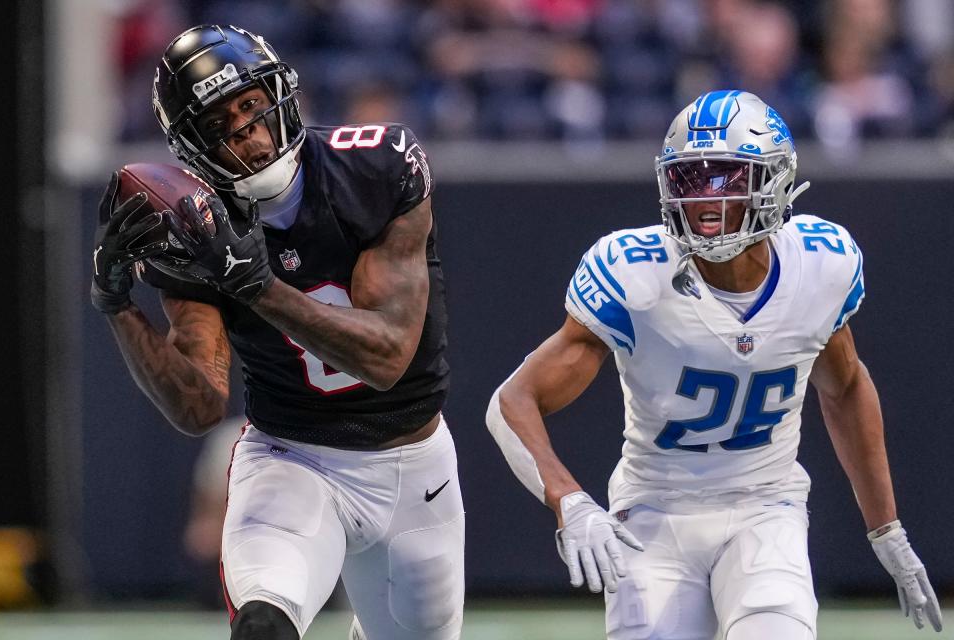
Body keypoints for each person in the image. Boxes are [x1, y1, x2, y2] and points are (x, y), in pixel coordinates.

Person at [485, 90, 941, 639]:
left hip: (765, 508)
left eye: (725, 178)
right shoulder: (636, 274)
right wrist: (571, 502)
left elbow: (844, 389)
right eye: (688, 179)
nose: (703, 200)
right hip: (654, 514)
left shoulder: (821, 263)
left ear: (773, 179)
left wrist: (886, 530)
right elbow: (514, 400)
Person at [89, 24, 464, 640]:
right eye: (219, 124)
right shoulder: (190, 221)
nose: (249, 133)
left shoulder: (375, 166)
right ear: (191, 145)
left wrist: (257, 286)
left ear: (279, 96)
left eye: (250, 106)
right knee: (264, 623)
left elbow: (388, 355)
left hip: (414, 468)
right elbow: (199, 406)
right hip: (295, 457)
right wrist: (115, 305)